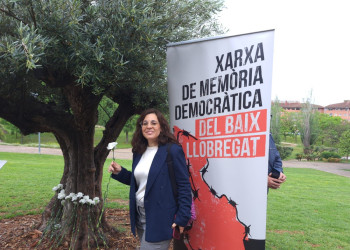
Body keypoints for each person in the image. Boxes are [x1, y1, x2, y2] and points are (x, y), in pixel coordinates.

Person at [108, 108, 192, 249]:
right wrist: (120, 172)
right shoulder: (139, 151)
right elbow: (141, 182)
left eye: (154, 123)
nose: (149, 126)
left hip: (161, 217)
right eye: (145, 123)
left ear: (161, 126)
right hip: (140, 216)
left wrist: (183, 217)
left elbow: (184, 186)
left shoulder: (172, 150)